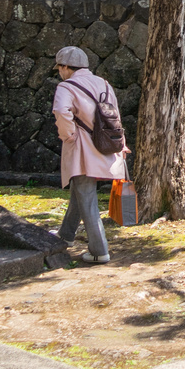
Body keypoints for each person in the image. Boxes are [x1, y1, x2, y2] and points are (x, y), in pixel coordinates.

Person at [51, 45, 128, 264]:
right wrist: (121, 143)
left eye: (59, 67)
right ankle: (65, 236)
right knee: (80, 190)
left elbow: (61, 111)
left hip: (82, 149)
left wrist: (69, 136)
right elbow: (115, 116)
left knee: (86, 195)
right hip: (106, 145)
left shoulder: (66, 86)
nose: (59, 71)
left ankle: (99, 250)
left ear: (65, 67)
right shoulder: (104, 84)